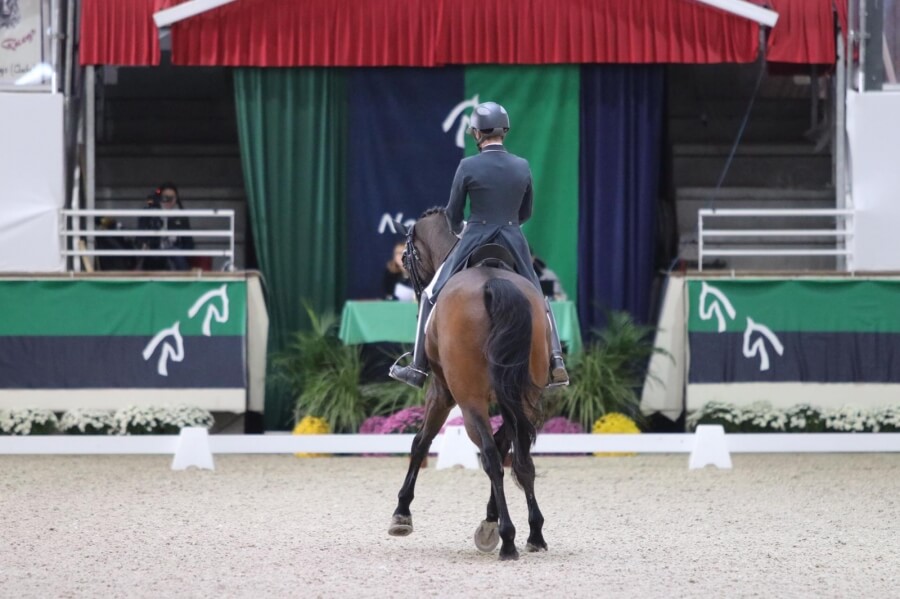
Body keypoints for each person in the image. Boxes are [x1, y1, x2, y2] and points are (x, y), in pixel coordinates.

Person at [389, 101, 569, 389]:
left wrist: (462, 230)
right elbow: (527, 212)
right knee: (538, 296)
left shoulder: (468, 165)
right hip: (513, 240)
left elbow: (453, 213)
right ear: (505, 131)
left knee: (431, 294)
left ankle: (418, 367)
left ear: (476, 134)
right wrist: (509, 225)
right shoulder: (522, 165)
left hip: (473, 238)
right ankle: (557, 361)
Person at [137, 182, 195, 271]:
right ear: (160, 198)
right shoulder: (149, 213)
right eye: (166, 197)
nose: (169, 201)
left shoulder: (182, 216)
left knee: (176, 254)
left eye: (172, 198)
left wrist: (182, 251)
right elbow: (139, 238)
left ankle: (184, 282)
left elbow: (189, 243)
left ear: (176, 199)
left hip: (175, 252)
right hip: (154, 251)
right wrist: (144, 245)